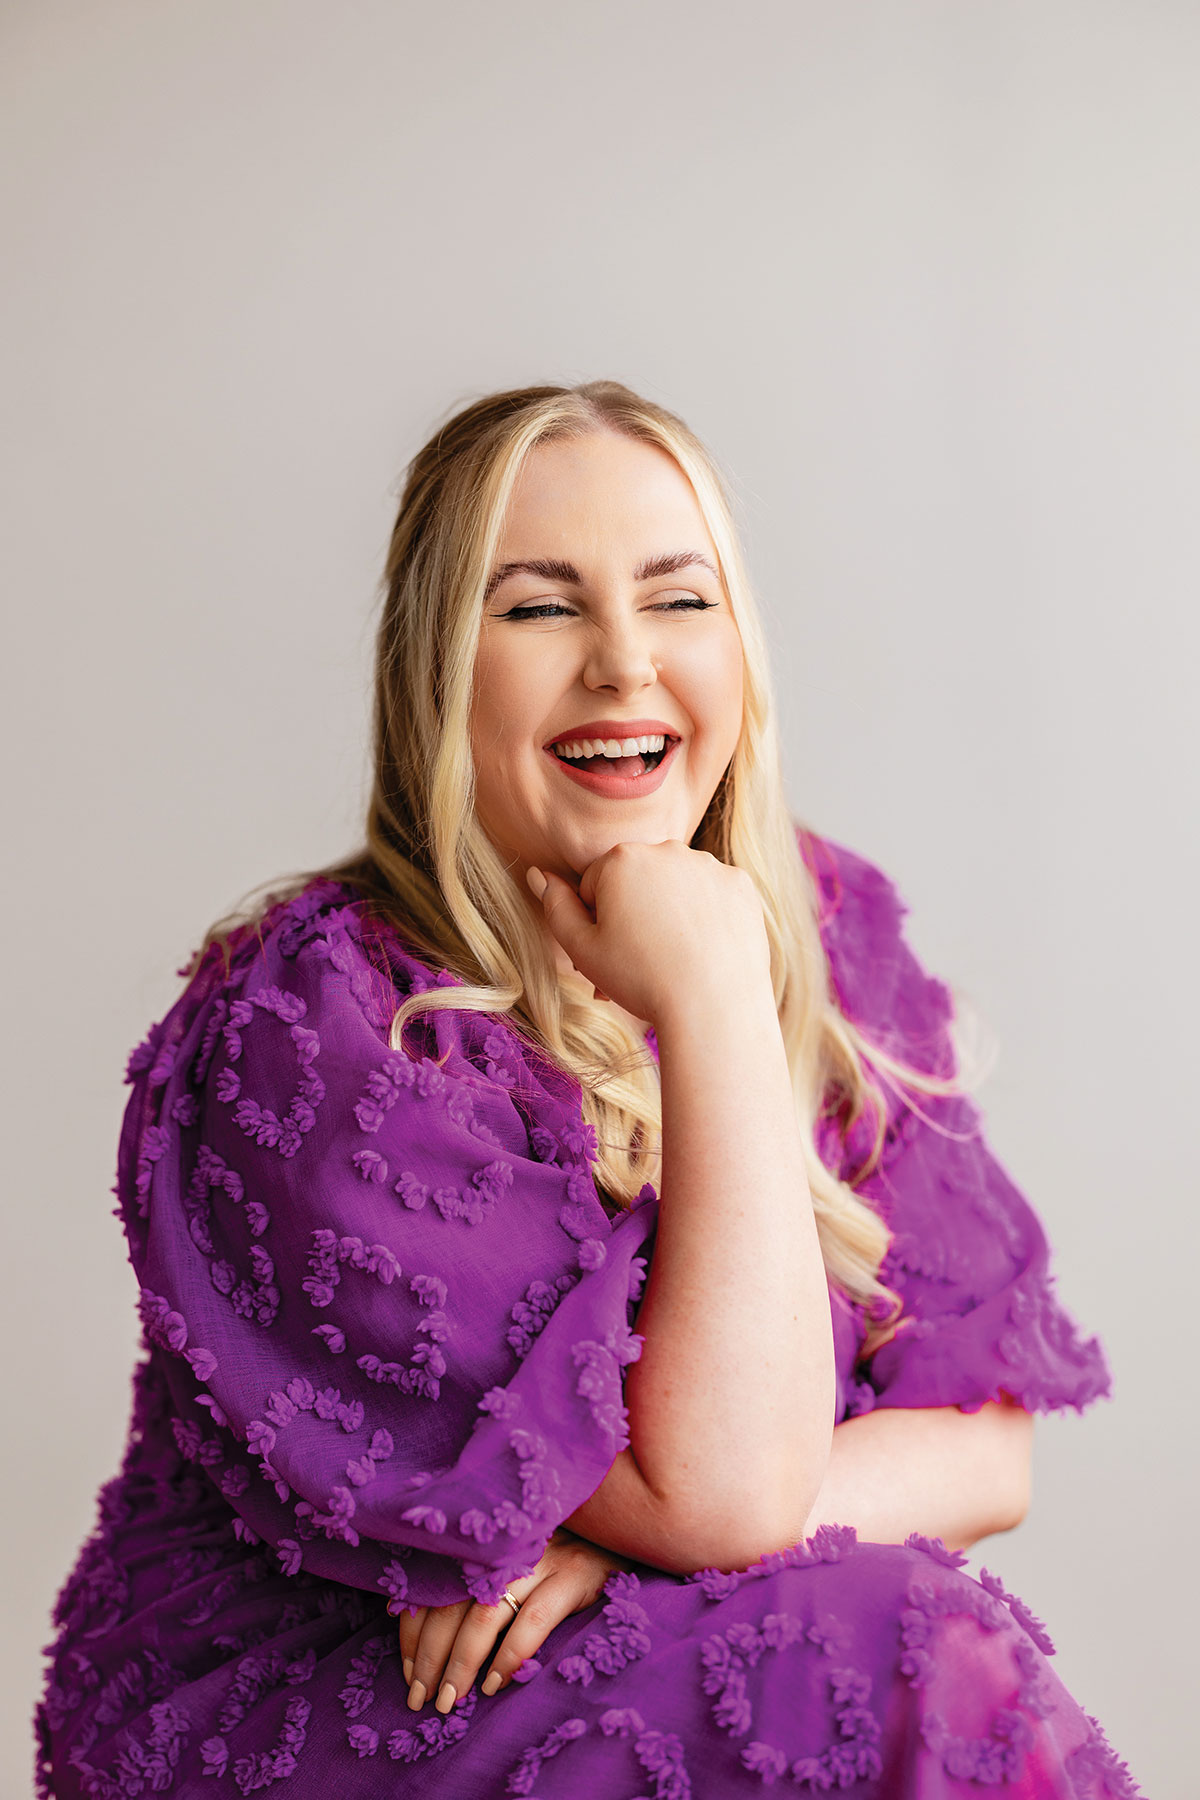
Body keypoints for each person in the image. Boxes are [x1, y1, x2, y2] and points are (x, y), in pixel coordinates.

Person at [34, 381, 1143, 1798]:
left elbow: (991, 1457)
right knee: (894, 1647)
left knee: (891, 1645)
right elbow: (731, 1498)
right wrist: (710, 1000)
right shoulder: (318, 1025)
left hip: (641, 1623)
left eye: (679, 600)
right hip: (351, 1702)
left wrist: (629, 1537)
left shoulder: (816, 925)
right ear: (439, 665)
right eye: (541, 607)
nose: (624, 665)